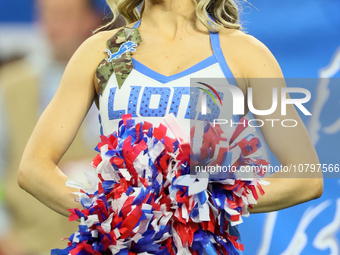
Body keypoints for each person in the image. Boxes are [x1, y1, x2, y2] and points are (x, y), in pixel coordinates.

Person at [17, 0, 323, 253]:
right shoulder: (101, 51)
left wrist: (206, 204)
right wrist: (111, 212)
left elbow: (306, 177)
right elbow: (33, 168)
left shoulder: (244, 55)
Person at [0, 1, 124, 254]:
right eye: (46, 16)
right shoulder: (10, 87)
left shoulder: (130, 85)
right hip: (30, 246)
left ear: (93, 20)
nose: (52, 27)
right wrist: (4, 236)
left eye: (63, 16)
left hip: (109, 244)